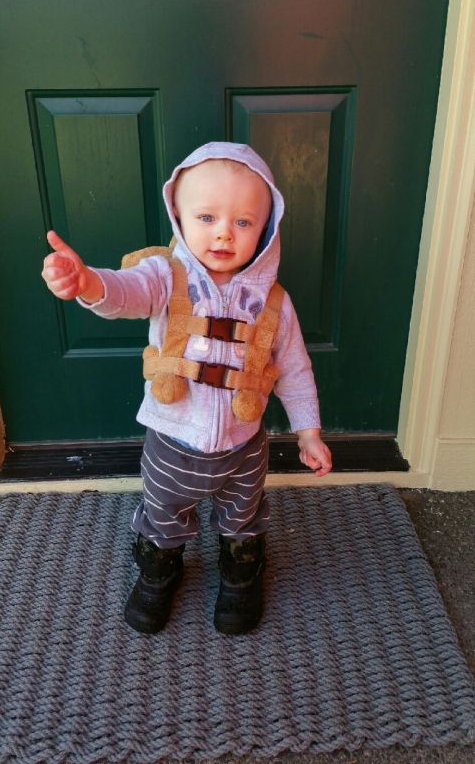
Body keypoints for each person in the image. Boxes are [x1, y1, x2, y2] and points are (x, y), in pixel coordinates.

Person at [42, 141, 332, 636]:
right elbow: (125, 294)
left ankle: (241, 573)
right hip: (172, 442)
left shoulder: (274, 303)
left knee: (244, 516)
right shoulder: (164, 276)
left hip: (244, 447)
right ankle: (159, 570)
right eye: (207, 217)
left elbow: (295, 369)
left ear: (267, 229)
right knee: (163, 512)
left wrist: (309, 431)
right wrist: (88, 283)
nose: (224, 233)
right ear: (178, 217)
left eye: (244, 221)